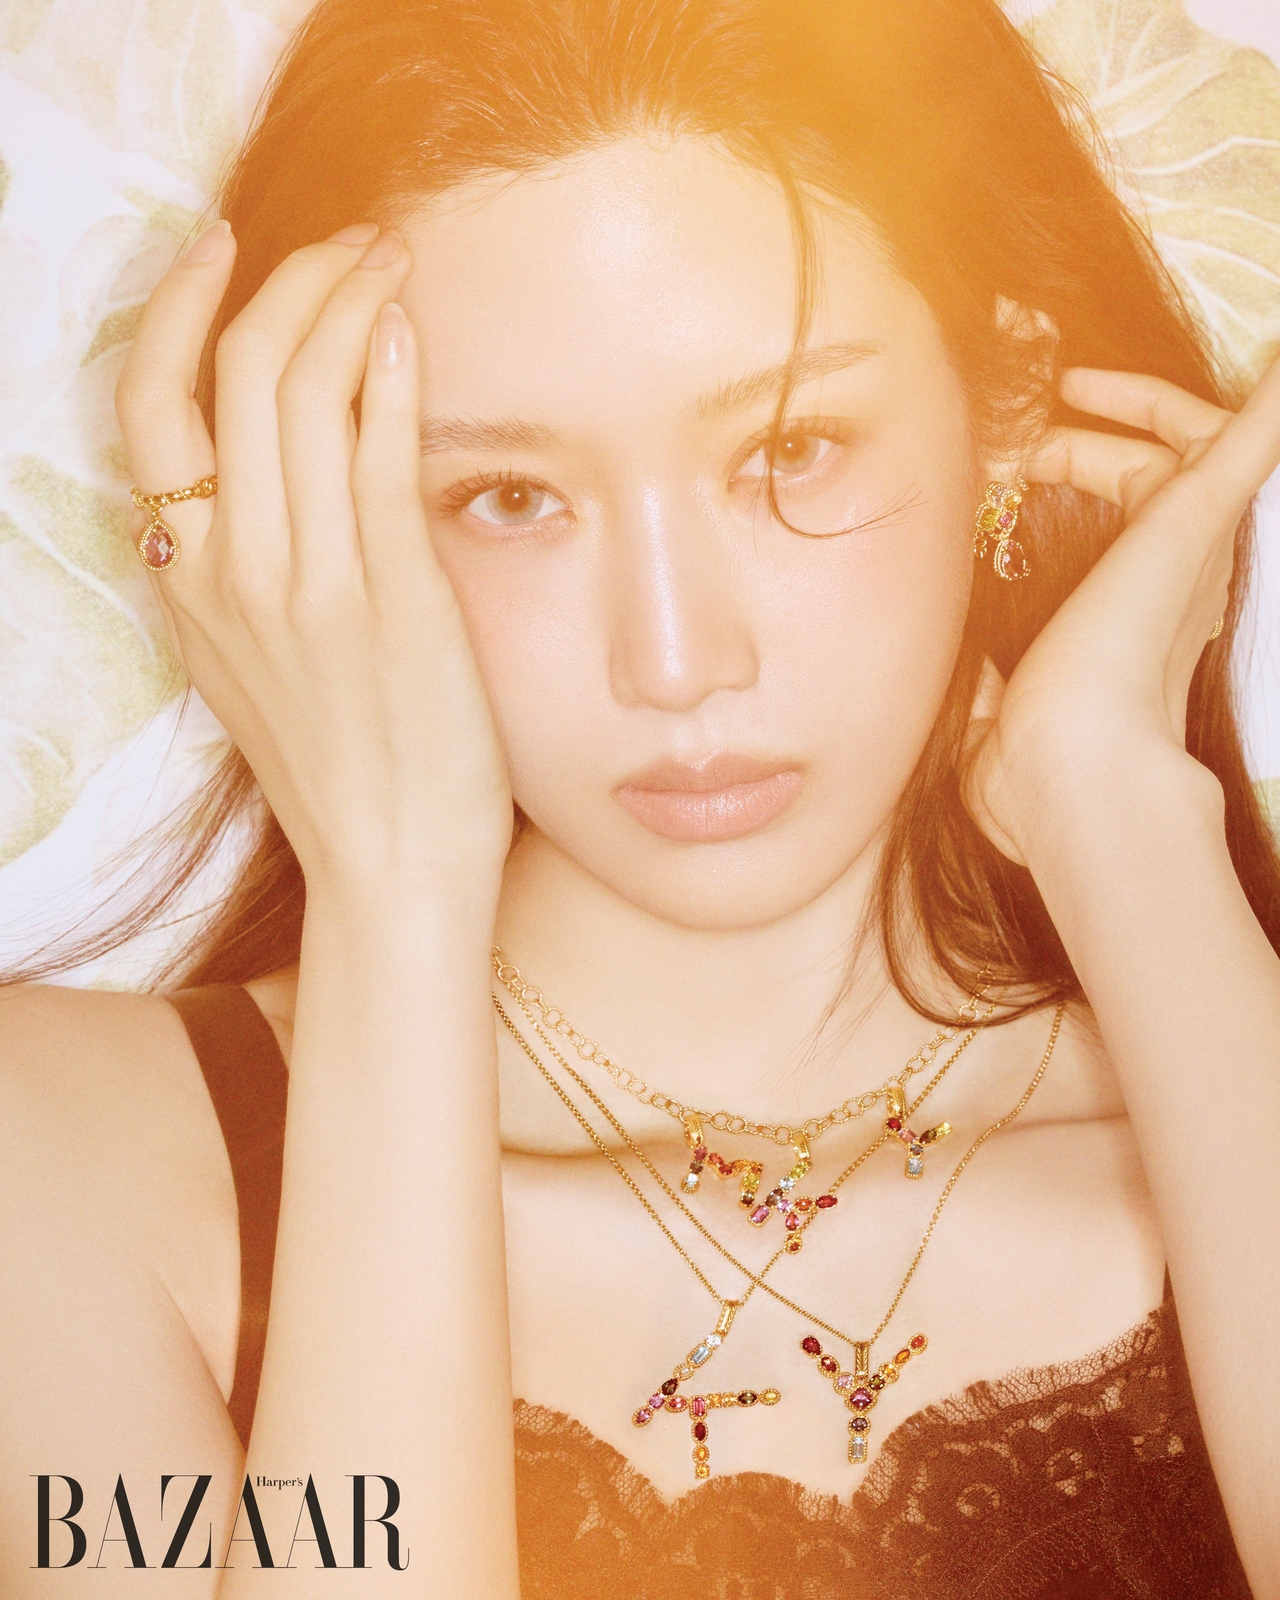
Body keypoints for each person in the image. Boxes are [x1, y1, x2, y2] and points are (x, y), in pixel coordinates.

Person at [2, 0, 1278, 1594]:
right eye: (511, 496)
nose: (675, 659)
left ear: (1005, 402)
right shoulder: (64, 1156)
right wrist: (394, 886)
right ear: (308, 511)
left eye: (792, 448)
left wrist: (1129, 826)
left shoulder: (1228, 1072)